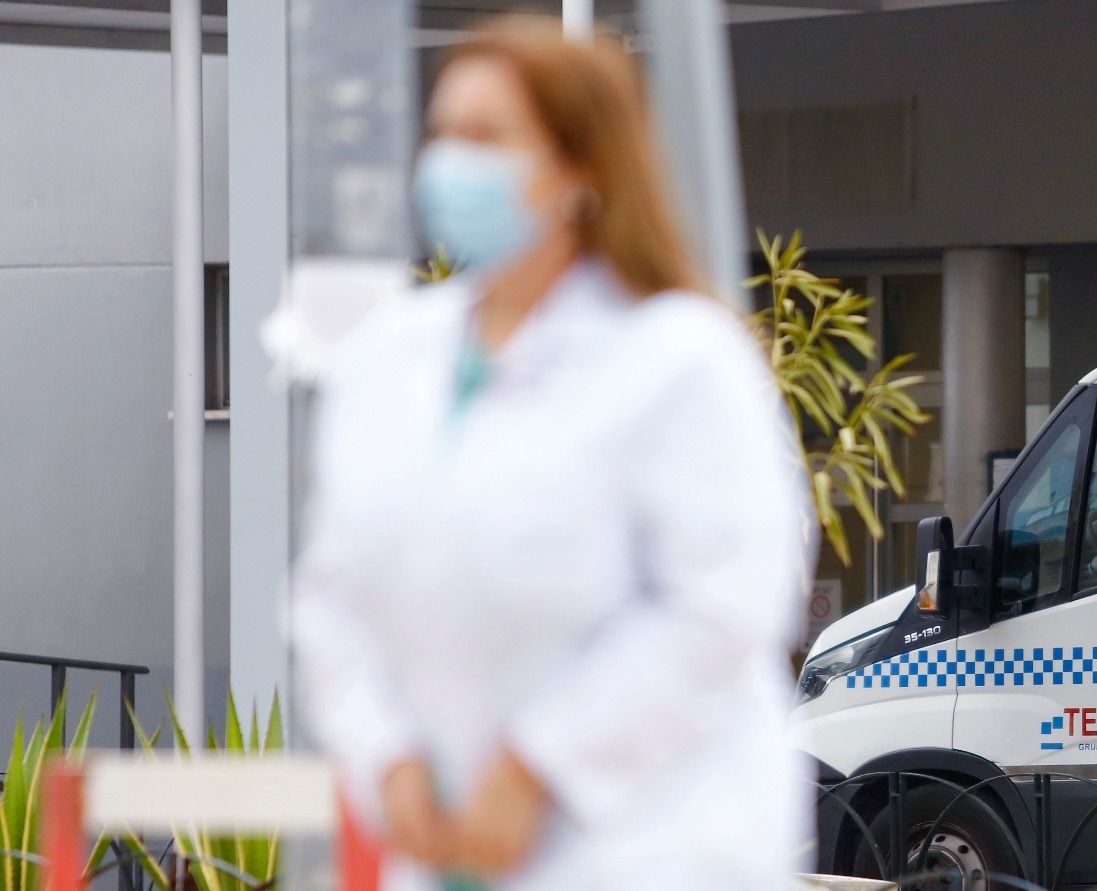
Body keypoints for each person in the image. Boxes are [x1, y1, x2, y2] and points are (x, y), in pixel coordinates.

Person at [291, 16, 811, 890]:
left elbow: (721, 609)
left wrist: (538, 765)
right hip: (442, 847)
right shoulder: (390, 359)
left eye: (487, 136)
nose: (453, 164)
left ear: (578, 170)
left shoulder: (679, 359)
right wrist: (386, 756)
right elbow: (331, 598)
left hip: (649, 848)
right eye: (444, 133)